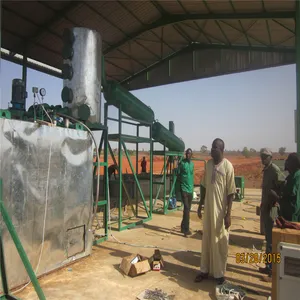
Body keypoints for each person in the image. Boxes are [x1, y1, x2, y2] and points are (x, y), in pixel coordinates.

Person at [195, 138, 236, 285]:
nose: (212, 150)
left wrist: (228, 214)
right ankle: (204, 270)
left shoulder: (228, 167)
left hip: (220, 213)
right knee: (206, 240)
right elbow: (205, 186)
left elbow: (231, 192)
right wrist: (200, 205)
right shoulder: (209, 165)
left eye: (215, 148)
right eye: (212, 147)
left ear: (222, 150)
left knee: (219, 242)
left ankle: (219, 274)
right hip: (208, 211)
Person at [259, 148, 285, 278]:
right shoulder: (267, 170)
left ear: (270, 157)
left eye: (264, 156)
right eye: (261, 156)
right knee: (268, 238)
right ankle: (268, 265)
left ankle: (271, 269)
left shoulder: (274, 170)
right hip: (265, 207)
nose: (262, 159)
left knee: (271, 240)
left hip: (271, 210)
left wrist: (276, 198)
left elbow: (283, 185)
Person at [270, 153, 300, 222]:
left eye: (288, 160)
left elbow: (288, 194)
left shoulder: (295, 177)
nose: (286, 162)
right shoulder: (292, 176)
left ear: (293, 163)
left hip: (291, 215)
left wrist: (276, 196)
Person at [177, 148, 194, 237]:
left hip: (190, 189)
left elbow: (191, 176)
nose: (188, 155)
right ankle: (186, 230)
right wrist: (179, 188)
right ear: (185, 154)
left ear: (191, 155)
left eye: (189, 154)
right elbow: (178, 176)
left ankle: (183, 226)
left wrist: (192, 188)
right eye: (187, 153)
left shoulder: (192, 164)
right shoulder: (182, 163)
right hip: (184, 189)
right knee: (187, 209)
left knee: (187, 210)